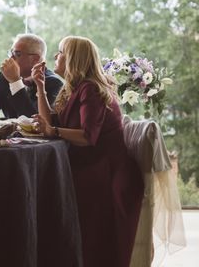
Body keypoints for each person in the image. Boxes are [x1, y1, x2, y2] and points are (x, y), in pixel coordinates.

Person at [32, 36, 143, 267]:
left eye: (60, 52)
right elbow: (49, 123)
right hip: (89, 166)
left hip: (105, 173)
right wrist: (40, 88)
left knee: (49, 194)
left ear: (73, 59)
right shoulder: (75, 87)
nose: (55, 56)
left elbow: (87, 136)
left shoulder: (90, 89)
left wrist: (52, 130)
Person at [0, 33, 62, 119]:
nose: (11, 58)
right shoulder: (5, 77)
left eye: (17, 54)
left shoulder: (53, 83)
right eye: (11, 53)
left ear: (35, 59)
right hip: (7, 133)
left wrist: (15, 82)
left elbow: (34, 121)